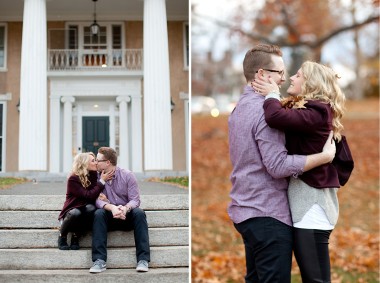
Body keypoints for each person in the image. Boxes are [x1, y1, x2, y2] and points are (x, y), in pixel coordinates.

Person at [228, 44, 336, 283]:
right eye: (279, 72)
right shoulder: (265, 113)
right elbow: (277, 166)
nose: (284, 78)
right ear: (262, 75)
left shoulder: (238, 108)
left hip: (244, 211)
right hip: (268, 215)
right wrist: (323, 158)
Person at [252, 61, 346, 282]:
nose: (291, 78)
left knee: (316, 279)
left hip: (312, 206)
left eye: (298, 75)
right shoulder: (312, 110)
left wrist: (272, 94)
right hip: (305, 204)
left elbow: (274, 117)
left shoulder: (319, 111)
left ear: (310, 82)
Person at [89, 147, 150, 273]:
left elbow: (135, 200)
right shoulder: (95, 177)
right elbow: (95, 199)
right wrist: (111, 207)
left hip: (125, 216)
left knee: (139, 213)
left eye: (98, 160)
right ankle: (99, 260)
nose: (95, 162)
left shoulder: (127, 175)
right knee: (98, 213)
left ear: (108, 162)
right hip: (108, 217)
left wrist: (125, 208)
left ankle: (143, 260)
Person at [58, 152, 114, 250]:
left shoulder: (93, 175)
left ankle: (76, 236)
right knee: (76, 213)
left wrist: (102, 197)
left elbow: (93, 194)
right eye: (93, 161)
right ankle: (62, 236)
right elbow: (89, 195)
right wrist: (101, 181)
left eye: (96, 160)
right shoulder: (73, 178)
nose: (96, 162)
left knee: (91, 208)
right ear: (84, 164)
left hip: (85, 209)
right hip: (72, 210)